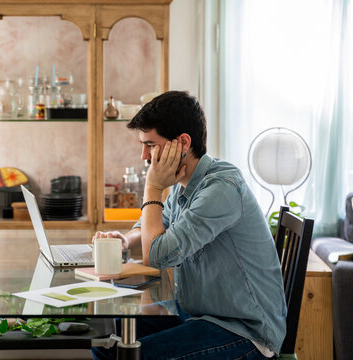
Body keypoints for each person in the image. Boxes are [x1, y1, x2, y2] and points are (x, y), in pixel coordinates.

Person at [92, 91, 286, 360]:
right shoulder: (187, 185)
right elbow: (152, 225)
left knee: (128, 355)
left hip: (244, 333)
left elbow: (156, 257)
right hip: (200, 317)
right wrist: (126, 239)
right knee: (103, 342)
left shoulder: (220, 189)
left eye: (150, 144)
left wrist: (153, 187)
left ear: (182, 142)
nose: (143, 155)